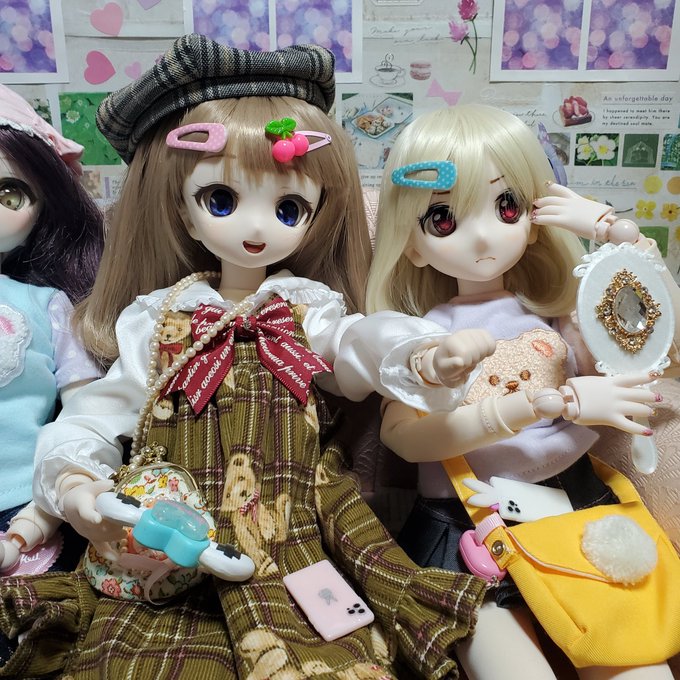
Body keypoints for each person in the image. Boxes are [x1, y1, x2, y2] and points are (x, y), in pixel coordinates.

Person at [0, 36, 493, 679]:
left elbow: (354, 345)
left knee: (327, 660)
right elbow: (102, 410)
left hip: (293, 532)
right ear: (181, 207)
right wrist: (75, 482)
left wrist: (422, 355)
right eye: (222, 200)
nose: (257, 228)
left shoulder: (304, 308)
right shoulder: (157, 317)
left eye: (289, 207)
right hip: (175, 540)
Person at [366, 103, 677, 679]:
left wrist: (619, 234)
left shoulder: (560, 317)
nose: (484, 233)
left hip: (574, 507)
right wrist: (534, 406)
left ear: (533, 221)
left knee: (636, 663)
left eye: (505, 206)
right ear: (411, 243)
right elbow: (404, 438)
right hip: (469, 522)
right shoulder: (418, 338)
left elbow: (657, 341)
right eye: (443, 219)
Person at [0, 84, 104, 576]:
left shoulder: (47, 305)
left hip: (25, 504)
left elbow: (84, 408)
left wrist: (67, 486)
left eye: (10, 194)